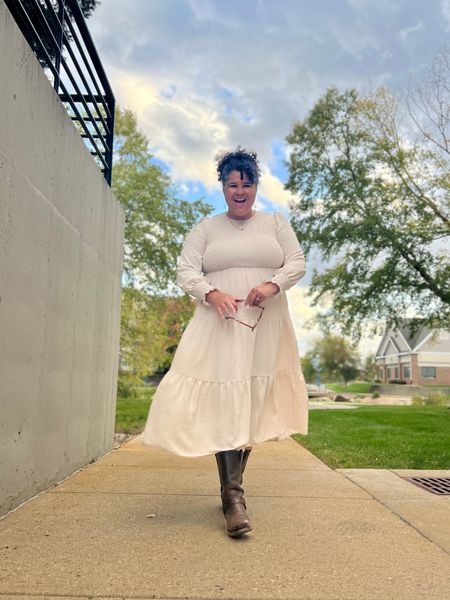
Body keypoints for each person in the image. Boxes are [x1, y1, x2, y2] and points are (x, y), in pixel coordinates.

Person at [142, 146, 308, 537]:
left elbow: (296, 262)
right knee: (226, 400)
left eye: (246, 184)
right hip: (219, 324)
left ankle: (232, 494)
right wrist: (210, 292)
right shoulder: (206, 228)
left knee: (248, 403)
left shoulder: (275, 223)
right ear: (222, 186)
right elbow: (186, 270)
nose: (239, 190)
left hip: (264, 324)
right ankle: (233, 498)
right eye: (232, 183)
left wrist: (272, 284)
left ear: (255, 187)